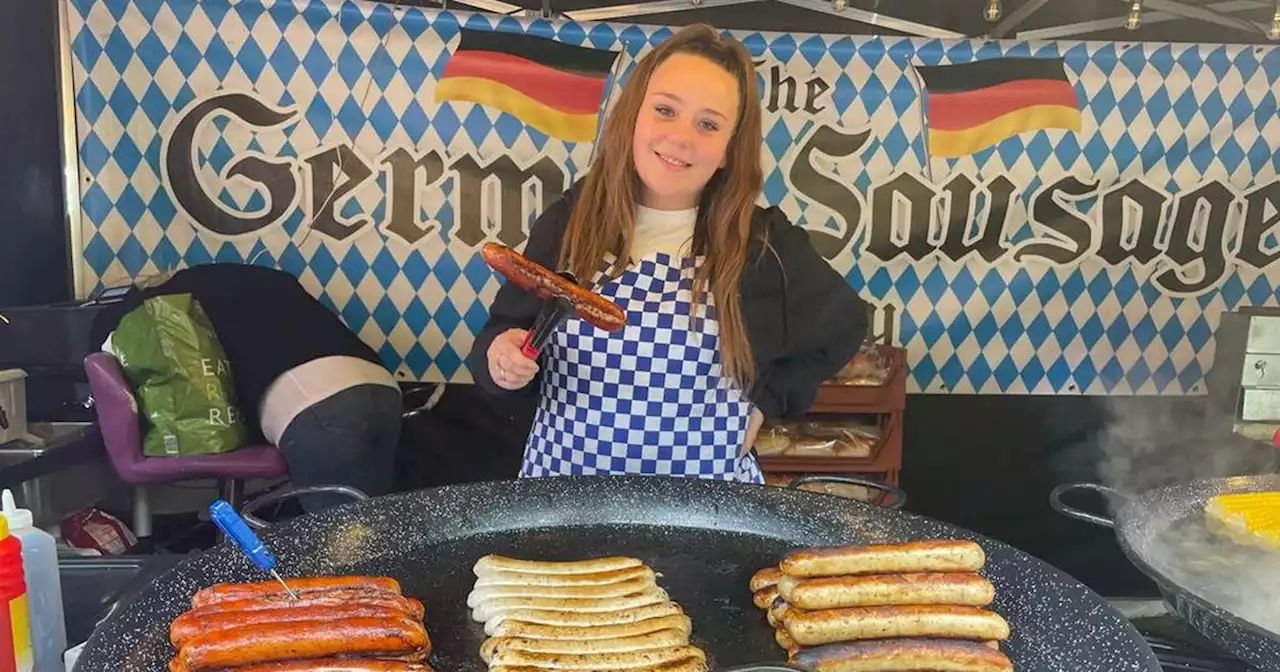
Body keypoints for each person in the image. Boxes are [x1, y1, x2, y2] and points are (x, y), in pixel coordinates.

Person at [467, 24, 869, 483]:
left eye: (708, 124)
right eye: (665, 110)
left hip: (708, 507)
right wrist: (498, 359)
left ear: (727, 149)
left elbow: (846, 325)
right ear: (633, 117)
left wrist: (771, 400)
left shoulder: (761, 243)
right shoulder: (570, 222)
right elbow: (503, 331)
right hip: (566, 495)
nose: (681, 138)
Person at [90, 263, 403, 510]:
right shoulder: (251, 280)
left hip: (316, 405)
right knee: (371, 532)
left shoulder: (162, 306)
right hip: (383, 387)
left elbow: (108, 338)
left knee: (337, 548)